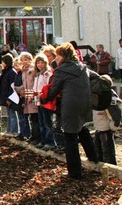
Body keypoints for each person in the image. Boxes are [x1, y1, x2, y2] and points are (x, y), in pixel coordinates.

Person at [42, 42, 98, 179]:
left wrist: (44, 98)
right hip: (84, 103)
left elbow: (54, 89)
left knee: (70, 137)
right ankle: (94, 158)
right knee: (82, 129)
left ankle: (75, 172)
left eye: (58, 55)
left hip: (70, 105)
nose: (56, 58)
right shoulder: (82, 67)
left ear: (62, 56)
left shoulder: (62, 70)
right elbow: (96, 77)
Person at [93, 75, 118, 165]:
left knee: (108, 153)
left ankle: (111, 171)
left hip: (106, 129)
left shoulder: (110, 97)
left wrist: (112, 127)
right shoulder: (98, 94)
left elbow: (116, 115)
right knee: (98, 151)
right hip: (99, 127)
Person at [33, 54, 55, 151]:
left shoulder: (47, 74)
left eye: (42, 63)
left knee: (47, 122)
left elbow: (48, 87)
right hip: (38, 101)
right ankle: (43, 140)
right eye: (38, 63)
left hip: (45, 101)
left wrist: (42, 94)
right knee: (41, 122)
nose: (40, 65)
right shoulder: (38, 74)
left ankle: (50, 141)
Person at [0, 54, 18, 137]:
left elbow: (12, 86)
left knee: (12, 114)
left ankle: (14, 130)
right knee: (9, 113)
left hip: (10, 96)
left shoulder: (11, 72)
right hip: (6, 95)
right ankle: (9, 129)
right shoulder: (6, 72)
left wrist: (9, 98)